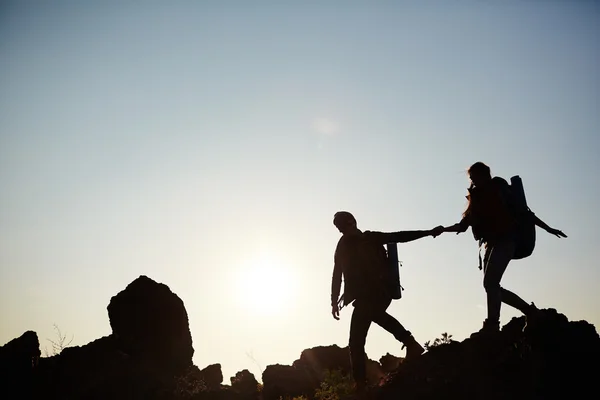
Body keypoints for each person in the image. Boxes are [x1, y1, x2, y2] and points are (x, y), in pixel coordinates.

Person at [442, 162, 567, 337]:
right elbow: (463, 225)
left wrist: (548, 229)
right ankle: (529, 313)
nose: (473, 182)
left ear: (485, 174)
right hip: (489, 244)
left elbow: (525, 214)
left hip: (507, 240)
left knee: (490, 284)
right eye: (471, 179)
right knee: (491, 286)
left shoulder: (500, 190)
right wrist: (440, 230)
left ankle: (494, 324)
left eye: (475, 177)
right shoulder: (476, 198)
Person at [331, 211, 444, 392]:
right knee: (356, 340)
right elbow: (337, 273)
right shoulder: (342, 246)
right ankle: (362, 382)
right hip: (362, 298)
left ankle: (409, 345)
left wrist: (428, 232)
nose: (343, 229)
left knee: (368, 321)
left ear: (352, 222)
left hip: (380, 292)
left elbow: (399, 236)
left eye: (344, 224)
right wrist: (333, 300)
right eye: (340, 227)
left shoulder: (370, 238)